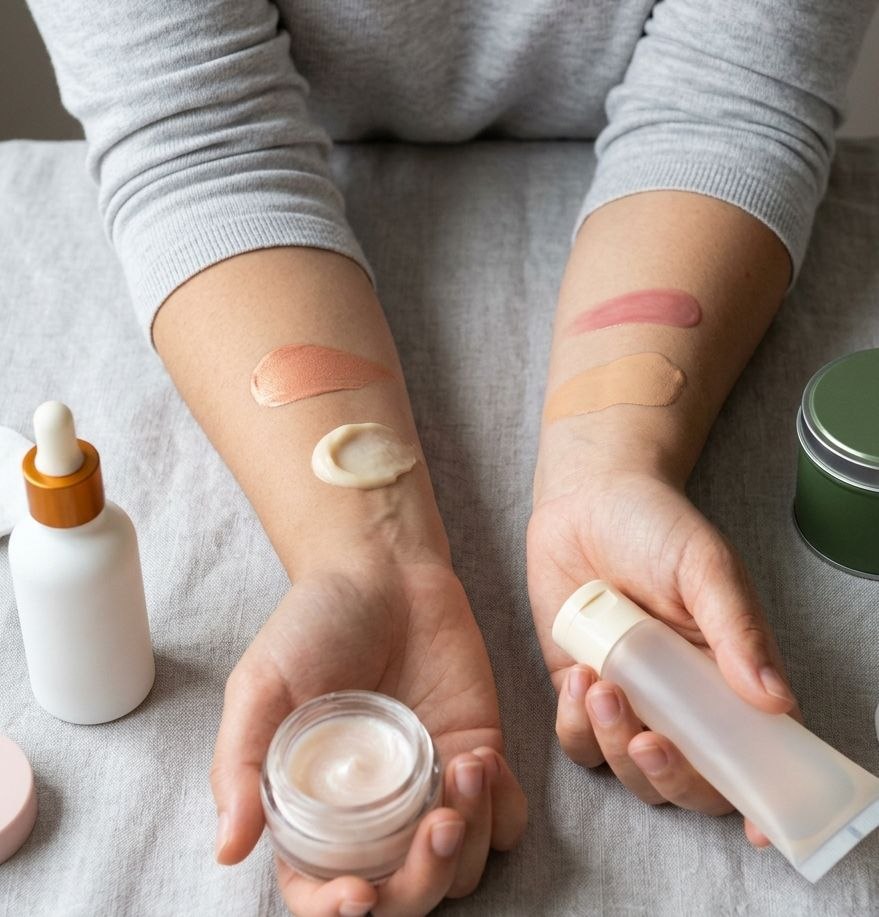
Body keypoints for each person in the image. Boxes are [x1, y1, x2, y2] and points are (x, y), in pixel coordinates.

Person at [27, 1, 877, 914]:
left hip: (681, 204)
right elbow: (199, 139)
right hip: (258, 231)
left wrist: (611, 467)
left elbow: (730, 102)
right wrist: (365, 556)